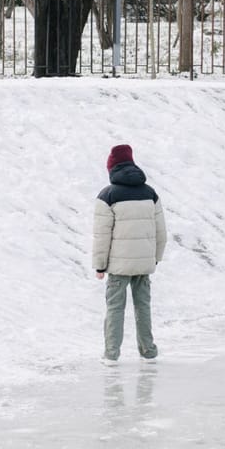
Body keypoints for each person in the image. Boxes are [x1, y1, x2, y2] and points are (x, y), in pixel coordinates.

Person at [93, 144, 168, 362]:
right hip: (144, 263)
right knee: (143, 306)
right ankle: (148, 351)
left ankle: (111, 354)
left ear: (111, 167)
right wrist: (155, 257)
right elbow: (161, 231)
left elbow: (102, 235)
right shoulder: (150, 193)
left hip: (118, 266)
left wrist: (100, 265)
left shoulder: (107, 195)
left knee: (115, 308)